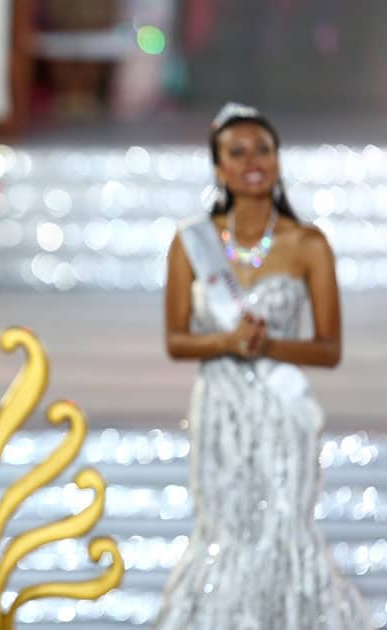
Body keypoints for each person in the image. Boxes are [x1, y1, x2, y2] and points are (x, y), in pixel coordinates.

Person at [157, 102, 370, 629]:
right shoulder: (192, 243)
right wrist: (228, 340)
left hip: (283, 411)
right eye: (238, 151)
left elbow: (328, 348)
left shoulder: (309, 244)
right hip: (220, 411)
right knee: (224, 531)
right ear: (218, 167)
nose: (253, 160)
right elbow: (177, 341)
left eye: (264, 149)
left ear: (278, 159)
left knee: (283, 527)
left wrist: (267, 345)